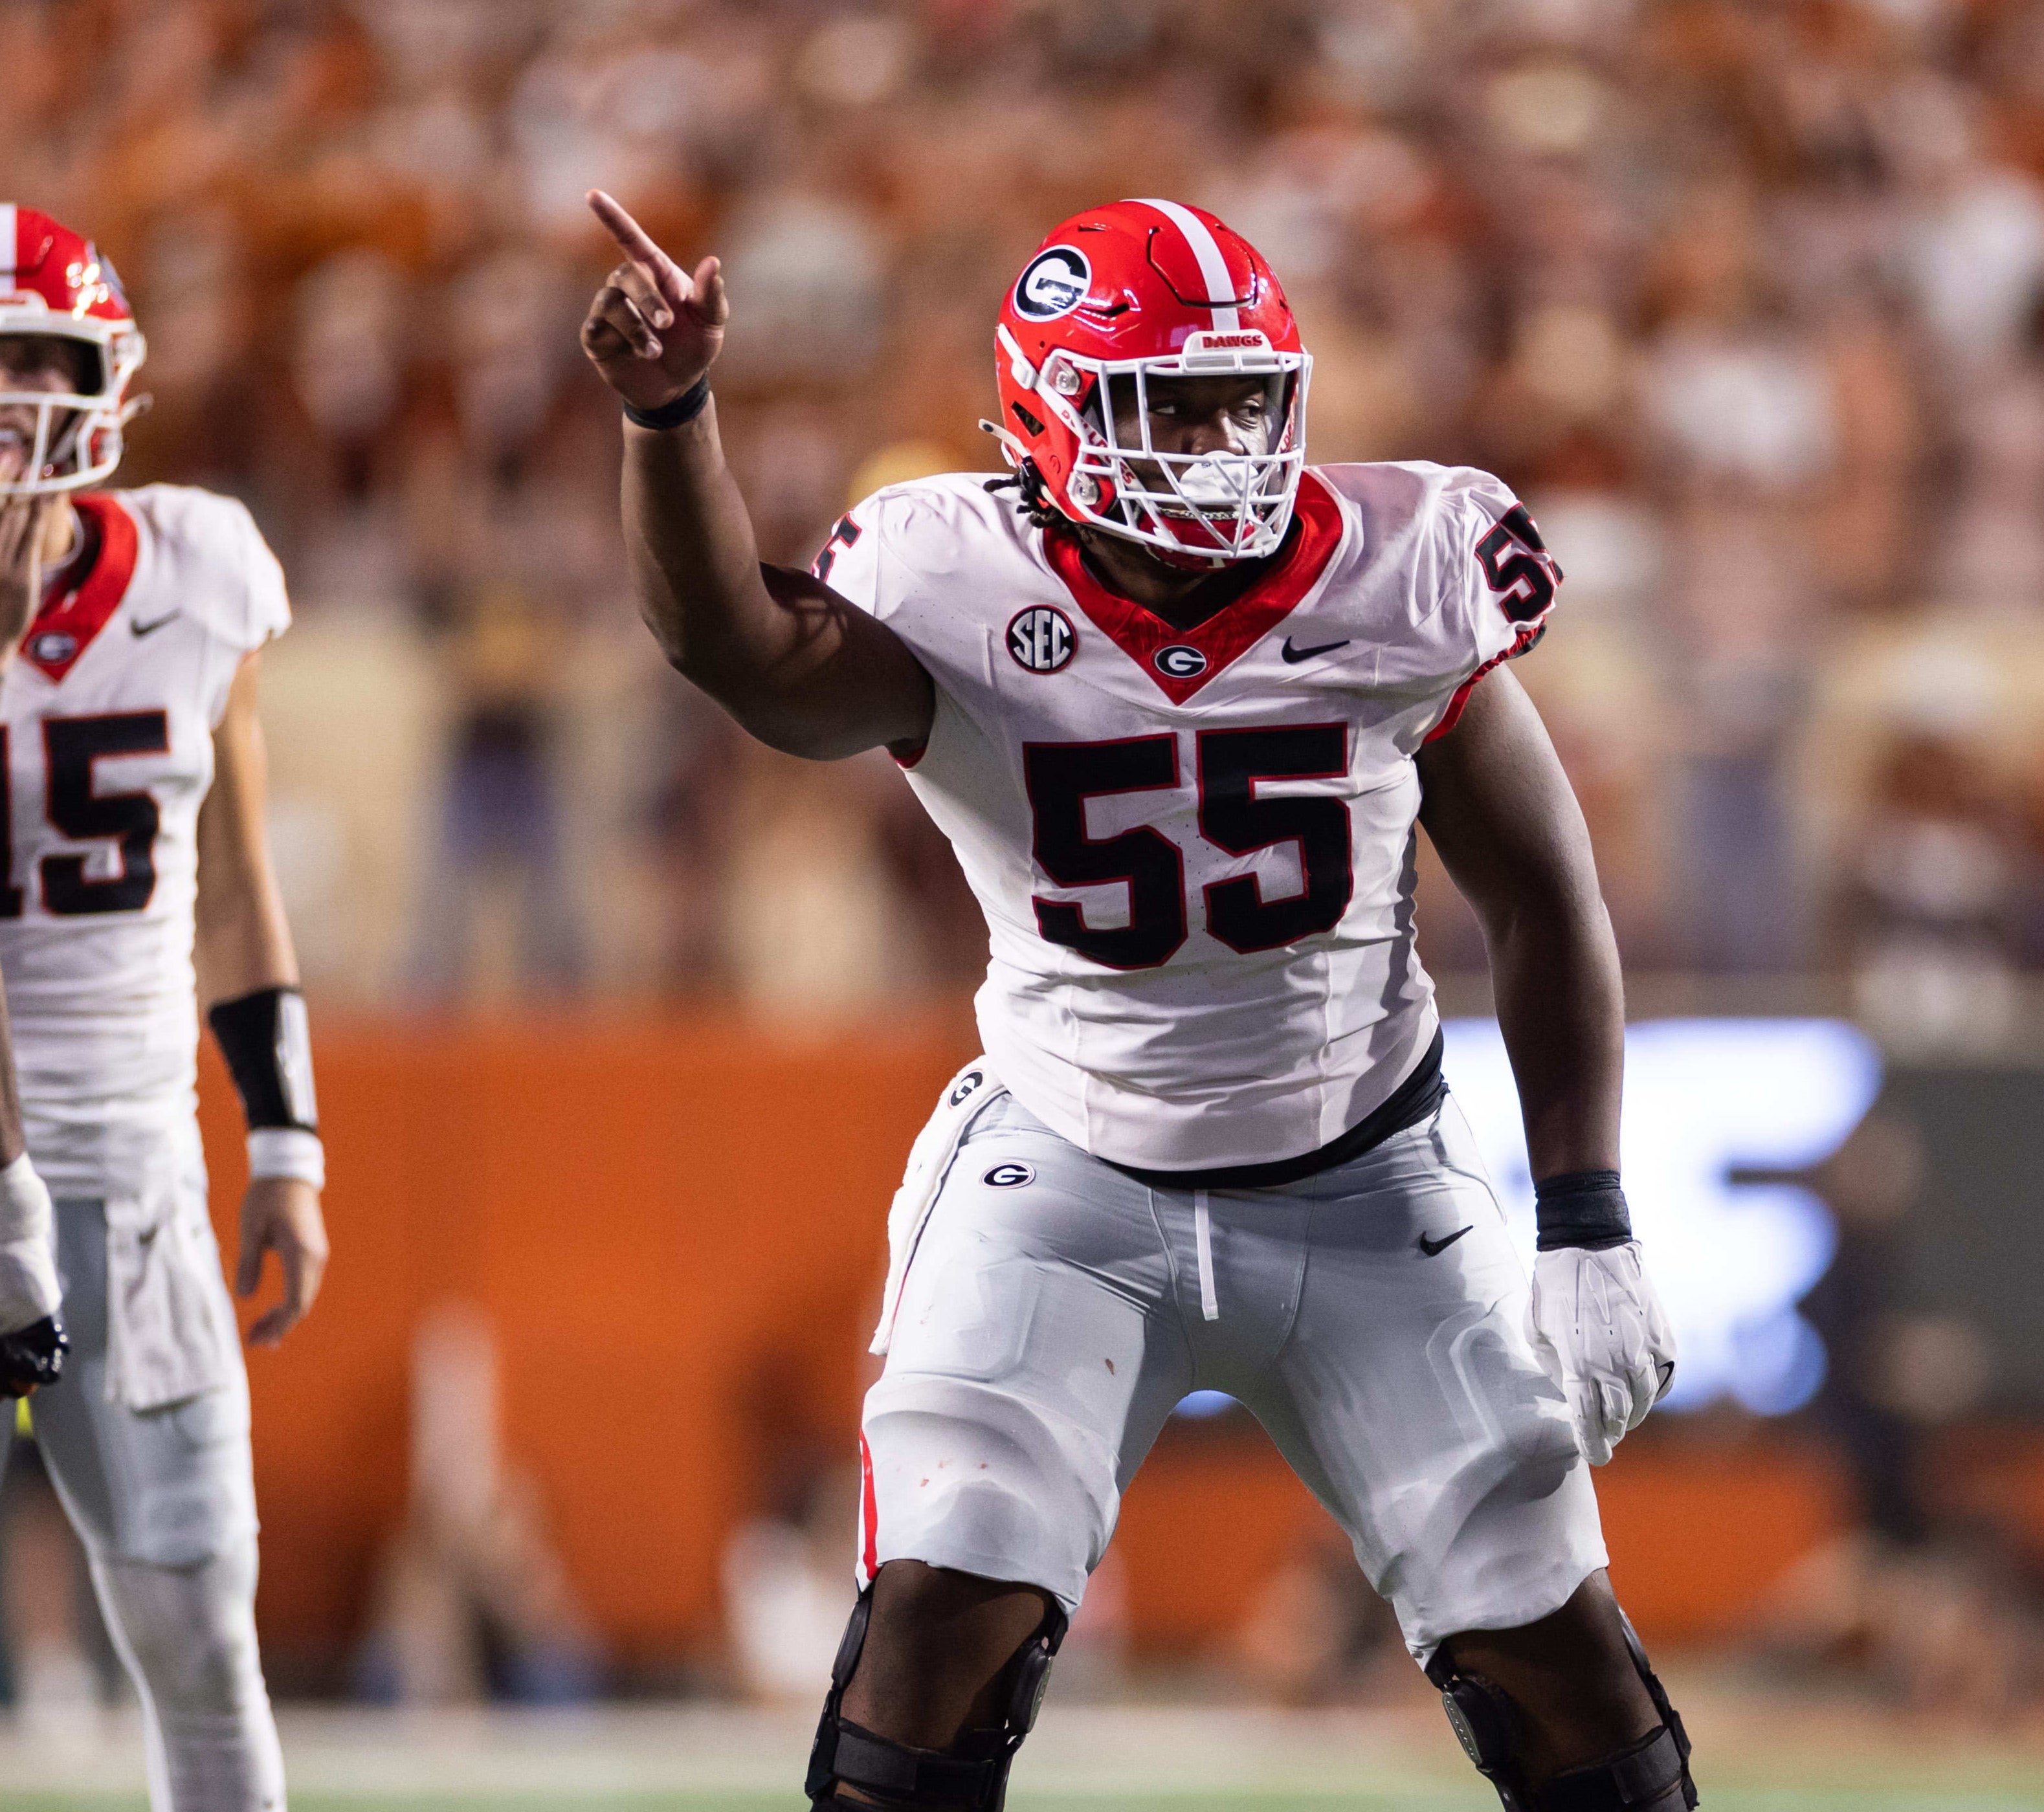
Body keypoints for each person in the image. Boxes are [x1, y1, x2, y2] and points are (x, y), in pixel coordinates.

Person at [581, 190, 1691, 1811]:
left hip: (1365, 1175)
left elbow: (1542, 892)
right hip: (1068, 1173)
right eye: (1167, 403)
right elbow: (740, 656)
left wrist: (1586, 1210)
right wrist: (670, 417)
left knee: (1566, 1675)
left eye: (1243, 395)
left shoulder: (1400, 566)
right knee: (937, 1622)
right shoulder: (948, 573)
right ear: (1047, 414)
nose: (1221, 439)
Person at [0, 204, 329, 1812]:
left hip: (132, 1186)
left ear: (99, 376)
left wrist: (287, 1136)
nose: (9, 401)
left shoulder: (199, 568)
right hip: (14, 1167)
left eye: (34, 361)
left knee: (201, 1637)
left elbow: (235, 880)